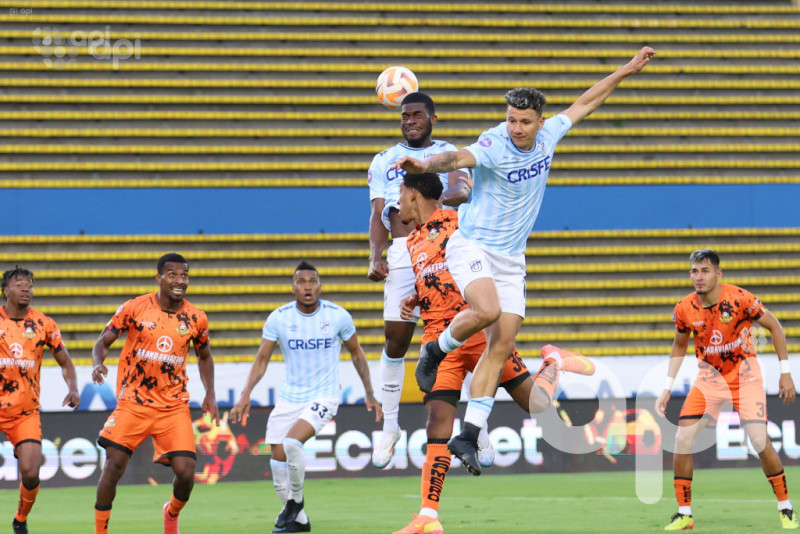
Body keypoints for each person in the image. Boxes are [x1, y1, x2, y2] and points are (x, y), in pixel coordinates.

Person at [391, 47, 657, 474]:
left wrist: (626, 69)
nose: (516, 128)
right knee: (488, 311)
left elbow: (586, 102)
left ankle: (469, 434)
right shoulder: (494, 143)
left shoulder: (550, 136)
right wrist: (424, 164)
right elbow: (457, 158)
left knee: (501, 345)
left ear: (540, 122)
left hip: (511, 258)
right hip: (473, 245)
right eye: (512, 119)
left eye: (524, 122)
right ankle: (436, 351)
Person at [390, 173, 595, 533]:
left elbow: (480, 266)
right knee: (437, 421)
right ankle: (428, 516)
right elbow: (438, 279)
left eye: (401, 193)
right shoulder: (412, 240)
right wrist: (416, 298)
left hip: (480, 333)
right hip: (440, 337)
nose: (397, 202)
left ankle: (554, 362)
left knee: (539, 407)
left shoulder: (460, 222)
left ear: (415, 194)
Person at [230, 261, 382, 533]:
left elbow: (356, 353)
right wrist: (245, 394)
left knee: (291, 443)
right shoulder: (279, 318)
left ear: (320, 287)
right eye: (302, 282)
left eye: (312, 281)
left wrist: (369, 391)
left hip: (324, 396)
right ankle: (300, 521)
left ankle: (296, 502)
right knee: (277, 461)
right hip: (289, 398)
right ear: (293, 288)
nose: (308, 287)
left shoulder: (338, 316)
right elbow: (262, 358)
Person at [656, 249, 798, 530]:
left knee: (759, 441)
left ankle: (786, 507)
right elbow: (679, 345)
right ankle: (684, 514)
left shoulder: (740, 298)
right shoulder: (684, 308)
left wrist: (786, 373)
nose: (699, 277)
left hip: (745, 377)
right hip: (709, 380)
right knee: (682, 439)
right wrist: (667, 387)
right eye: (694, 271)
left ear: (718, 273)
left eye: (705, 271)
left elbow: (775, 327)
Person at [368, 91, 471, 469]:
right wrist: (375, 254)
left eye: (417, 114)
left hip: (444, 246)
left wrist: (434, 201)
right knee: (396, 339)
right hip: (401, 251)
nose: (409, 120)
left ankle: (476, 427)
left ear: (433, 119)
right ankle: (390, 427)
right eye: (404, 115)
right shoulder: (383, 160)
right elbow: (379, 212)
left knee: (464, 334)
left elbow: (462, 188)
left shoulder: (448, 152)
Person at [91, 253, 219, 534]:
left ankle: (171, 513)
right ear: (159, 278)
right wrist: (98, 362)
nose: (179, 280)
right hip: (133, 402)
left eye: (184, 275)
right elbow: (103, 341)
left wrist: (210, 393)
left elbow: (204, 356)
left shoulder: (196, 317)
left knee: (186, 472)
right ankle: (101, 531)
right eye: (173, 275)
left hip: (173, 406)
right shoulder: (135, 308)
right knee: (114, 465)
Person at [0, 267, 80, 534]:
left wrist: (73, 388)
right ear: (5, 290)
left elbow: (65, 361)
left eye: (29, 284)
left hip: (24, 412)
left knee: (31, 472)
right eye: (20, 284)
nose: (26, 288)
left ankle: (20, 519)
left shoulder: (44, 324)